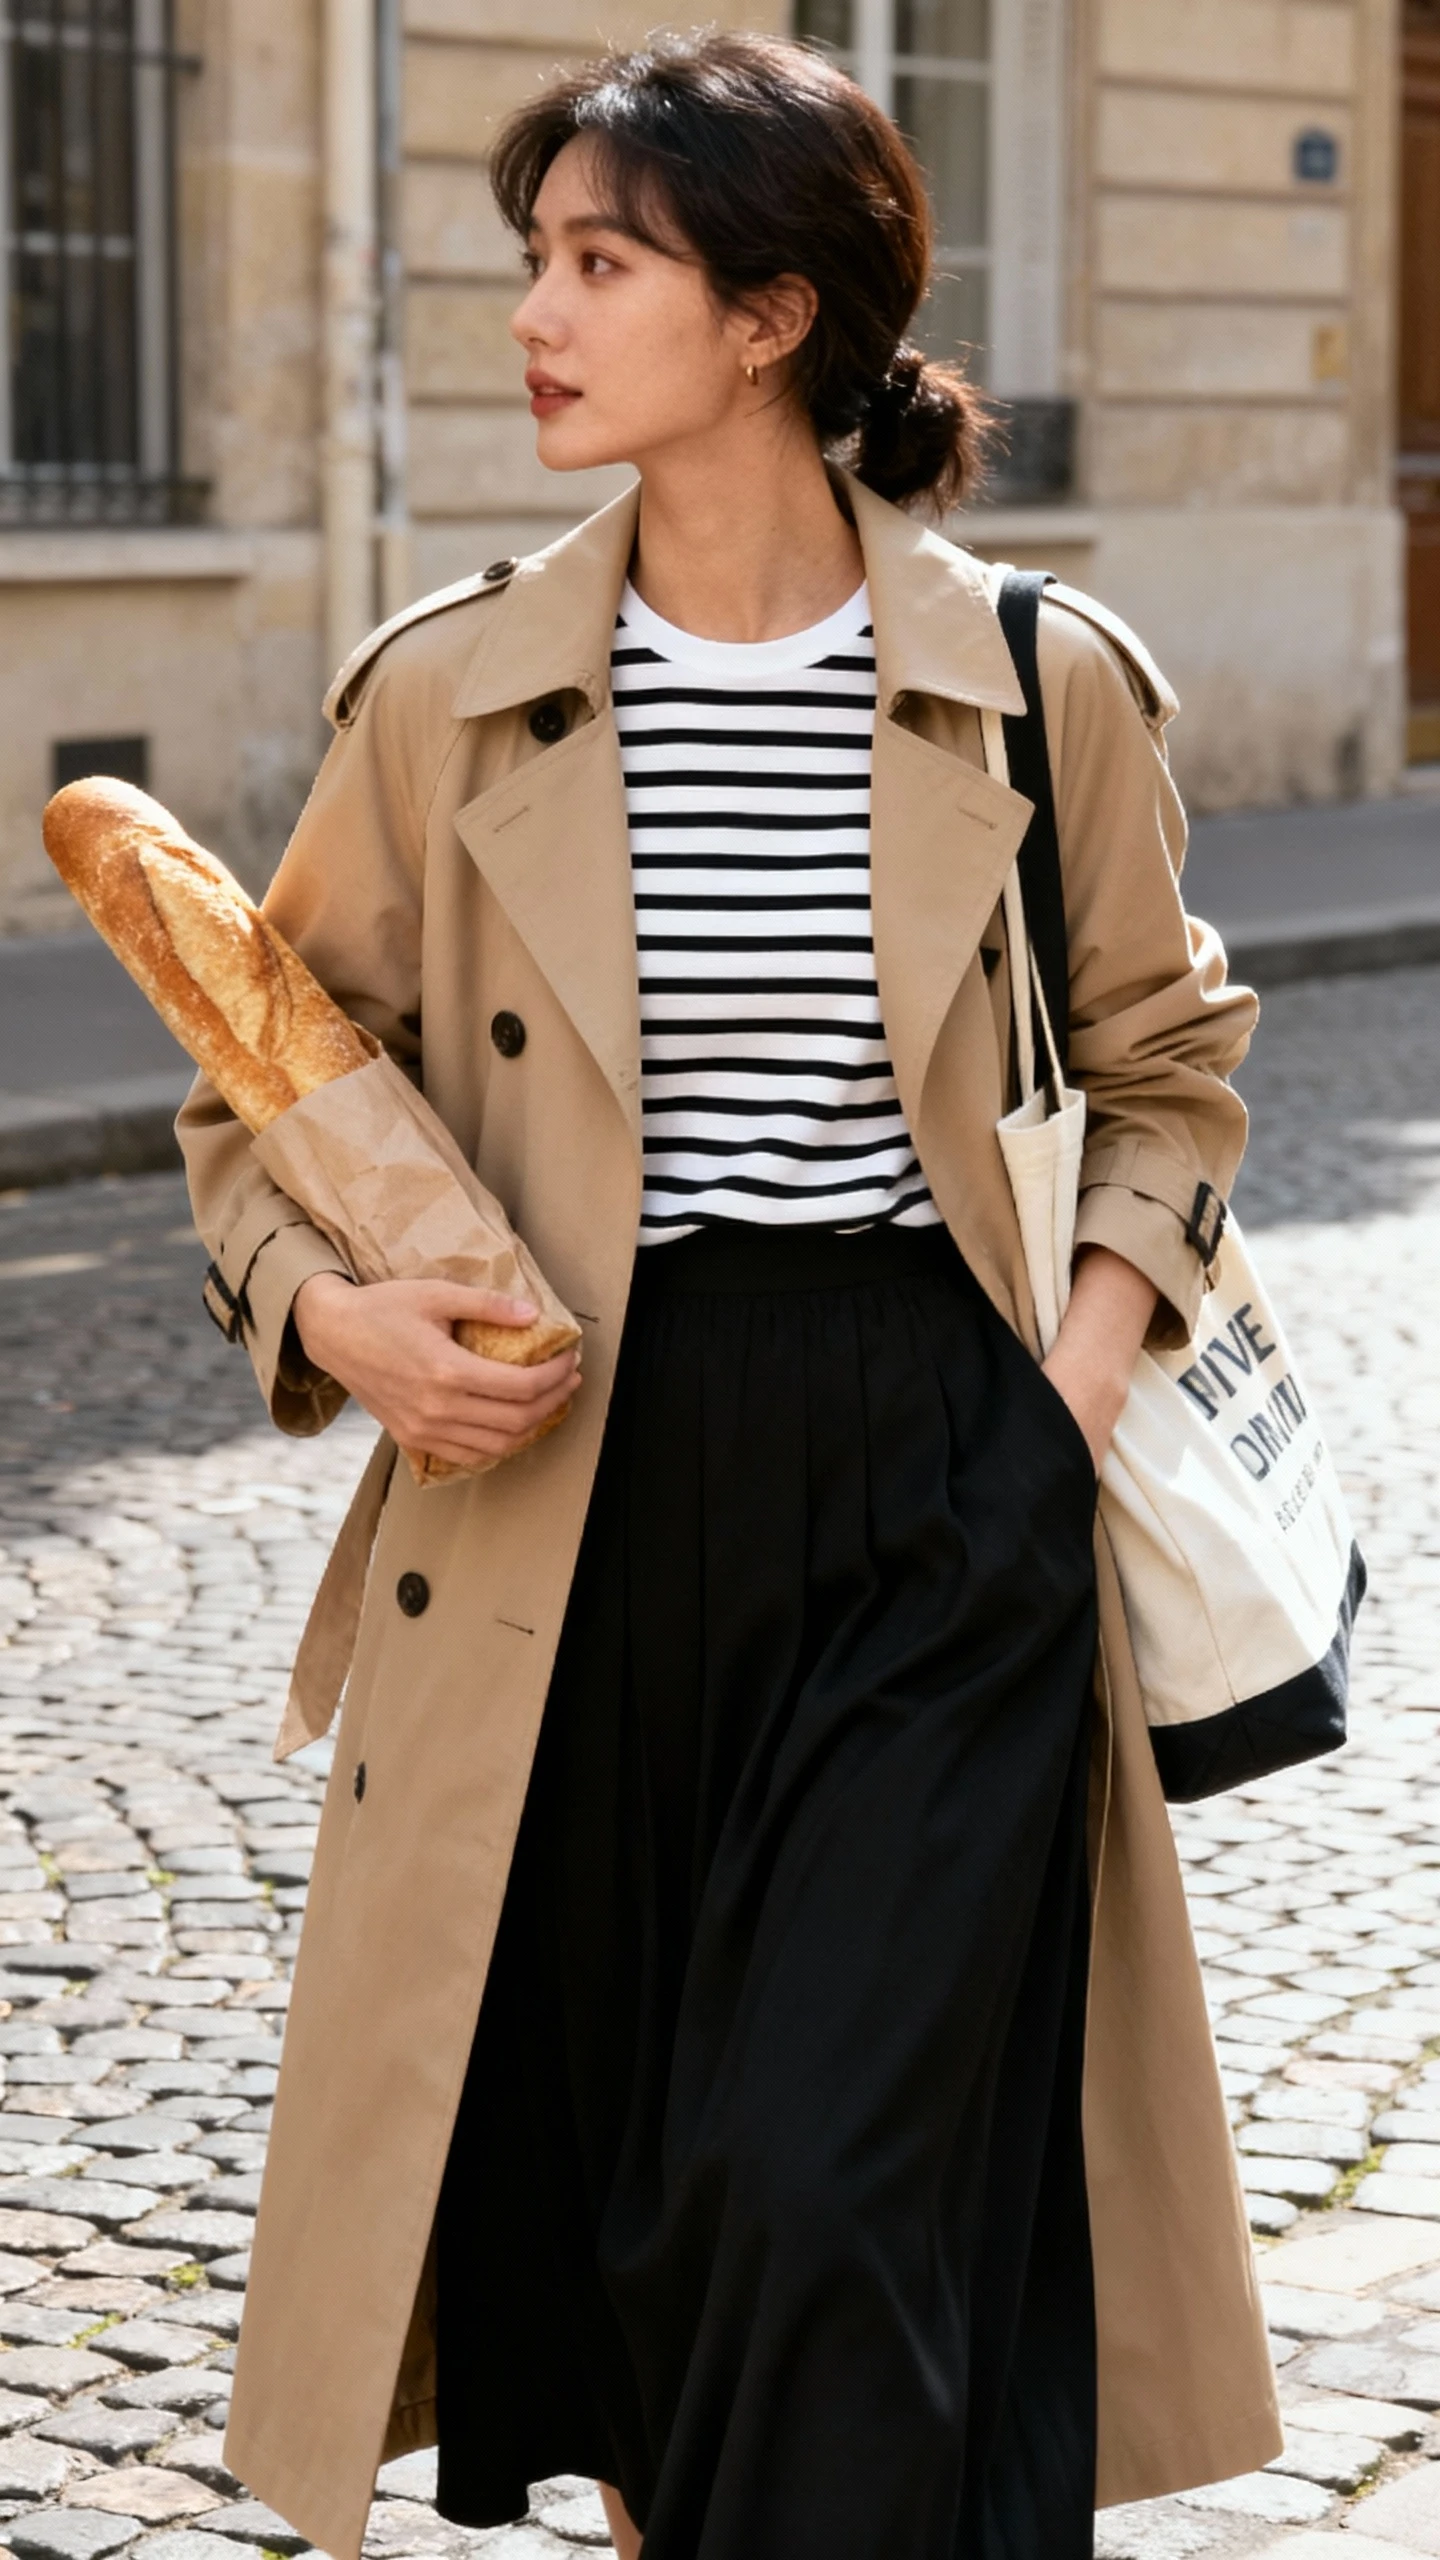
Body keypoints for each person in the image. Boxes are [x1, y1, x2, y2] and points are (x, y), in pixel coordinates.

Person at [179, 31, 1280, 2560]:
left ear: (773, 313)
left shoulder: (1038, 675)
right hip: (572, 1494)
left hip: (933, 1471)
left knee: (819, 2177)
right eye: (534, 261)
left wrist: (1066, 1396)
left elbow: (1170, 1064)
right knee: (649, 2206)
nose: (539, 318)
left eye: (603, 264)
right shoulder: (442, 690)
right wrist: (329, 1320)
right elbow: (261, 1079)